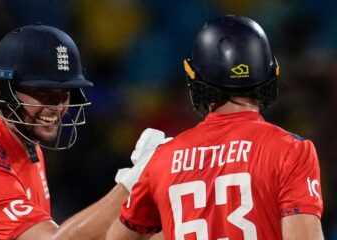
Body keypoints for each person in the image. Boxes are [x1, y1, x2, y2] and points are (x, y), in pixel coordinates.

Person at [0, 23, 167, 239]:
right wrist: (132, 185)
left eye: (63, 95)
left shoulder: (24, 142)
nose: (56, 109)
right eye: (43, 93)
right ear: (3, 89)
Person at [106, 16, 324, 240]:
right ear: (269, 73)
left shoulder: (162, 159)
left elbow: (115, 238)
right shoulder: (290, 151)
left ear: (196, 78)